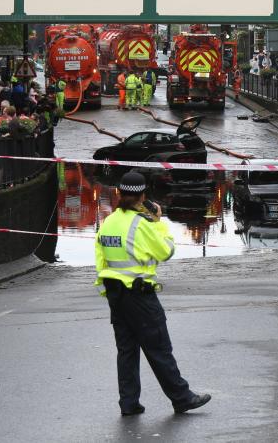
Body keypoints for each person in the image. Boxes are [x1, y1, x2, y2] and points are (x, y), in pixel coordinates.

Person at [95, 171, 211, 416]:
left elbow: (100, 257)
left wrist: (109, 289)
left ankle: (129, 403)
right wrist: (158, 223)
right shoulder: (142, 223)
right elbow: (166, 251)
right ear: (142, 196)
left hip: (116, 295)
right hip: (140, 295)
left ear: (119, 193)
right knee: (159, 348)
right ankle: (182, 397)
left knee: (127, 351)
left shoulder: (109, 222)